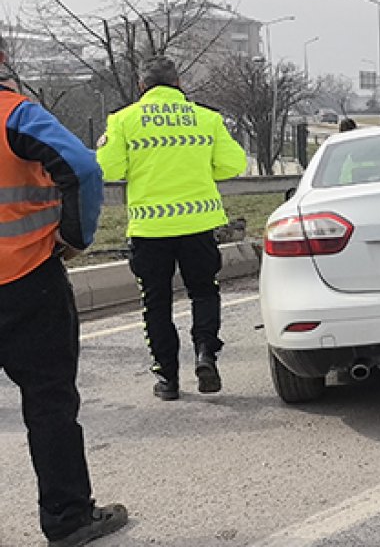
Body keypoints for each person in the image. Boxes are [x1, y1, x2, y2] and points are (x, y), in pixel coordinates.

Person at [0, 36, 128, 544]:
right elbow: (82, 166)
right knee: (49, 403)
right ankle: (67, 518)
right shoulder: (15, 115)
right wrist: (73, 239)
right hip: (26, 281)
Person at [97, 56, 247, 400]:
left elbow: (107, 169)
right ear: (179, 83)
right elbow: (232, 163)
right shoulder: (206, 119)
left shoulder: (123, 120)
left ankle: (168, 379)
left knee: (156, 304)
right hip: (199, 226)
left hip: (150, 231)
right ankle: (205, 354)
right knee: (204, 293)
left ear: (141, 87)